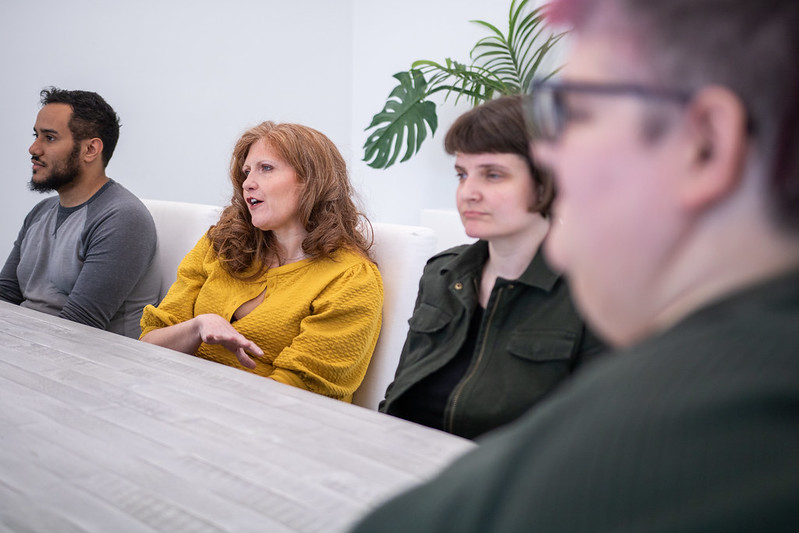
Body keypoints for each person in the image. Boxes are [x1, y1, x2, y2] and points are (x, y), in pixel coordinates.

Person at [351, 0, 799, 531]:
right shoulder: (447, 273)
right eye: (462, 173)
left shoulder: (699, 417)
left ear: (706, 143)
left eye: (575, 112)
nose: (554, 157)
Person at [379, 95, 605, 439]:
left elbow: (594, 445)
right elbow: (396, 401)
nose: (468, 192)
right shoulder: (442, 274)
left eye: (493, 175)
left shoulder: (596, 292)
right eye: (461, 174)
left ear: (548, 180)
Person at [140, 121, 383, 402]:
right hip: (174, 399)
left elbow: (298, 395)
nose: (247, 184)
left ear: (312, 180)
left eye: (266, 168)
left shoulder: (352, 278)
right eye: (246, 172)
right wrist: (198, 327)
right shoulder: (221, 244)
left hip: (269, 430)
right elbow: (149, 343)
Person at [0, 87, 160, 339]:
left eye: (49, 138)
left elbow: (79, 327)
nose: (33, 148)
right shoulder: (40, 212)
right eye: (36, 135)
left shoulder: (123, 218)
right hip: (29, 351)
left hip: (89, 365)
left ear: (90, 150)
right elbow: (5, 298)